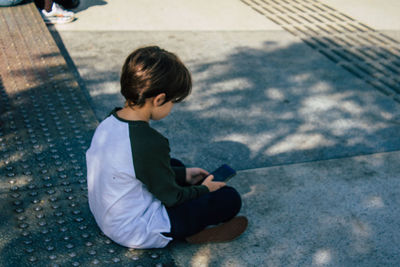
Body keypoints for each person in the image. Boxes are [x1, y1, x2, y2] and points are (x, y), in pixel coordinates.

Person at [86, 46, 248, 249]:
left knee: (175, 165)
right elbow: (173, 198)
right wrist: (204, 189)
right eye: (172, 101)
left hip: (109, 216)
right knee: (228, 199)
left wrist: (184, 175)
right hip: (135, 229)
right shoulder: (149, 141)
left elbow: (139, 167)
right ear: (159, 99)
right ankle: (188, 234)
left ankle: (186, 195)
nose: (172, 106)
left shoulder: (110, 121)